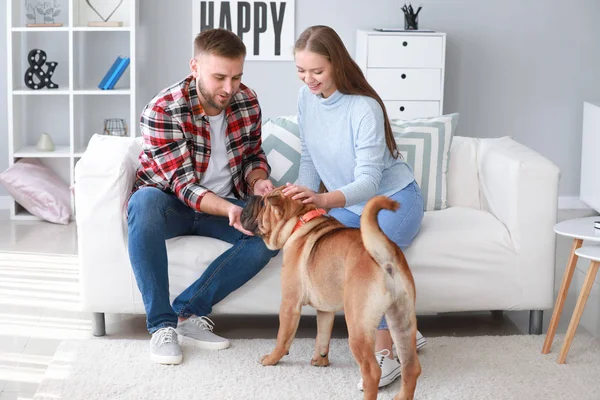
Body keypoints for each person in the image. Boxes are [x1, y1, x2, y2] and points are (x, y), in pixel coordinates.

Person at [282, 25, 427, 390]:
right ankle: (409, 333)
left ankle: (386, 355)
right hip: (346, 205)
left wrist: (323, 200)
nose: (308, 79)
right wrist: (302, 195)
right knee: (322, 250)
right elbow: (311, 160)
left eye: (317, 71)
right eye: (301, 70)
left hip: (393, 201)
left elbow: (368, 183)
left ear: (337, 64)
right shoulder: (305, 99)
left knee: (370, 263)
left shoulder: (364, 107)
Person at [128, 28, 277, 365]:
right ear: (194, 66)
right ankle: (161, 326)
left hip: (223, 205)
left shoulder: (247, 100)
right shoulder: (164, 109)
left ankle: (188, 313)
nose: (229, 88)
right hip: (172, 206)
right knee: (143, 202)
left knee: (271, 233)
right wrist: (230, 210)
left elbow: (253, 154)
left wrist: (259, 181)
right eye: (219, 77)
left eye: (236, 77)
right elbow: (184, 186)